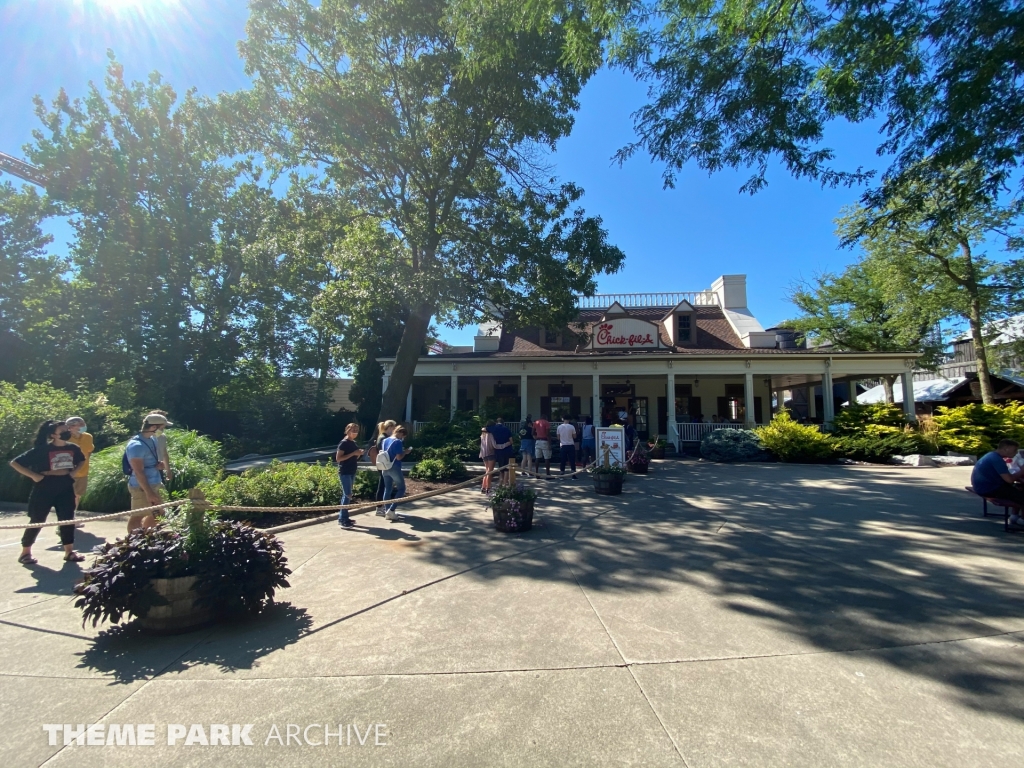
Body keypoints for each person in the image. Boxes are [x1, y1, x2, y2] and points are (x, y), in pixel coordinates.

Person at [10, 420, 86, 565]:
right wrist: (34, 475)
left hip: (65, 484)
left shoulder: (74, 448)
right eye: (62, 431)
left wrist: (74, 473)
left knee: (67, 519)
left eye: (67, 430)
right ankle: (25, 553)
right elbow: (15, 462)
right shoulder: (43, 449)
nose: (66, 433)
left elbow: (81, 460)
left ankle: (69, 552)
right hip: (45, 485)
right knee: (37, 519)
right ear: (53, 435)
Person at [125, 414, 171, 533]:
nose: (163, 430)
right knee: (138, 515)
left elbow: (151, 460)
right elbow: (138, 471)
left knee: (159, 513)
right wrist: (149, 492)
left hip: (155, 481)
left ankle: (146, 535)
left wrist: (159, 465)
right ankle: (132, 541)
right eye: (162, 427)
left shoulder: (153, 439)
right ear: (153, 427)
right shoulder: (136, 445)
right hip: (141, 486)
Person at [971, 438, 1024, 525]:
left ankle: (1014, 516)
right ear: (1006, 449)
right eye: (1015, 450)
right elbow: (1009, 480)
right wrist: (1022, 471)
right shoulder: (997, 460)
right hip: (988, 489)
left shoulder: (992, 455)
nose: (1016, 453)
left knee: (1019, 489)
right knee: (1021, 494)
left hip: (982, 486)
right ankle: (1022, 521)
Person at [336, 422, 363, 528]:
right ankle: (342, 519)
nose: (355, 433)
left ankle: (345, 517)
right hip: (345, 472)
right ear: (348, 431)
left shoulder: (353, 443)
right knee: (347, 495)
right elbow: (338, 459)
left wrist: (358, 454)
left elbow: (353, 457)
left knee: (347, 495)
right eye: (353, 431)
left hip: (352, 471)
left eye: (356, 431)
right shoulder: (344, 443)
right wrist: (353, 453)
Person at [381, 426, 409, 522]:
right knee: (401, 488)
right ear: (401, 433)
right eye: (403, 436)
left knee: (387, 489)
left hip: (385, 467)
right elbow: (399, 457)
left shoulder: (385, 440)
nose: (402, 438)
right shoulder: (398, 442)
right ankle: (392, 510)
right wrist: (405, 452)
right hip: (394, 467)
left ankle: (387, 510)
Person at [65, 416, 93, 508]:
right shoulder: (65, 439)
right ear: (71, 427)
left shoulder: (88, 437)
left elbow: (89, 452)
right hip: (69, 473)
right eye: (80, 424)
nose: (83, 426)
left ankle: (73, 517)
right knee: (68, 496)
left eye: (83, 423)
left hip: (83, 472)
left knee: (77, 496)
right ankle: (66, 519)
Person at [372, 420, 397, 516]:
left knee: (385, 485)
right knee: (382, 485)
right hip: (383, 465)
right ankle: (379, 508)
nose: (394, 430)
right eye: (394, 428)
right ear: (390, 427)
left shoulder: (383, 437)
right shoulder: (383, 438)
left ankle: (382, 506)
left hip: (384, 464)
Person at [479, 424, 497, 493]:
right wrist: (504, 445)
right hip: (491, 453)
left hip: (484, 454)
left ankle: (483, 486)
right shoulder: (490, 435)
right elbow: (494, 445)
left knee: (487, 470)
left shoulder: (482, 436)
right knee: (490, 471)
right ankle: (488, 487)